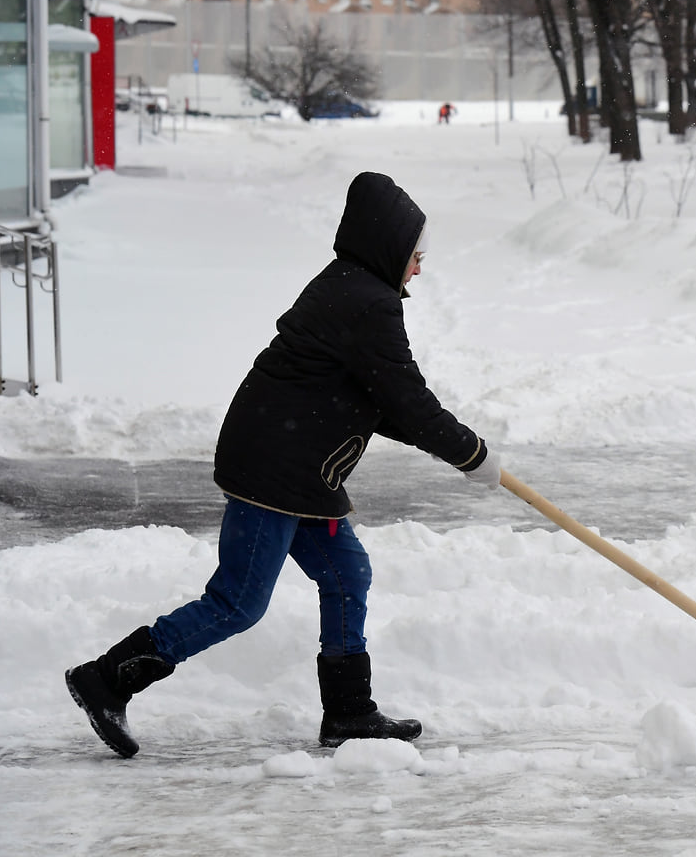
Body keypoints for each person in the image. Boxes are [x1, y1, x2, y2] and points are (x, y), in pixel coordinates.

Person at [65, 171, 501, 759]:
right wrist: (470, 454)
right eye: (417, 256)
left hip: (297, 470)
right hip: (274, 471)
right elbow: (406, 399)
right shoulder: (368, 303)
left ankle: (348, 711)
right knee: (238, 602)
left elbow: (381, 399)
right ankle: (108, 678)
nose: (420, 269)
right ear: (392, 248)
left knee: (347, 576)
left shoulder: (350, 288)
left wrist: (463, 453)